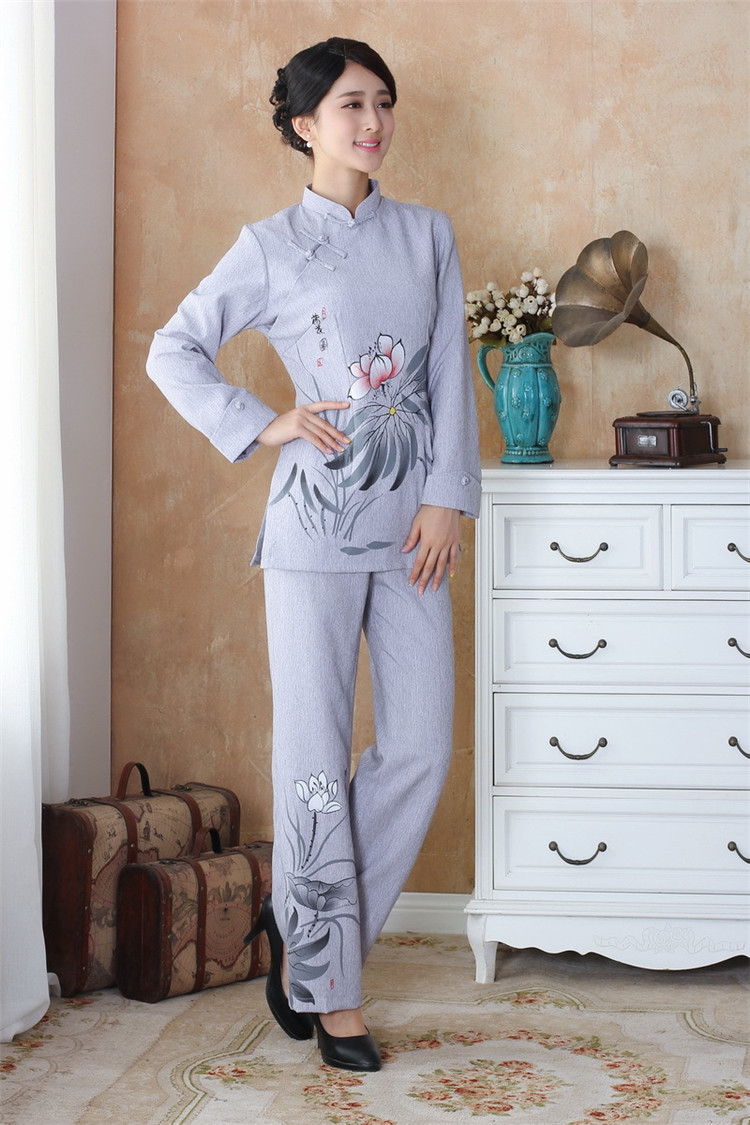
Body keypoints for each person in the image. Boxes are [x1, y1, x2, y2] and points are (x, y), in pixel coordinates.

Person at [146, 37, 480, 1072]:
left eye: (382, 102)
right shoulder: (268, 246)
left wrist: (447, 500)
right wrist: (267, 422)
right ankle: (333, 992)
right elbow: (173, 349)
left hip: (412, 532)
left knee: (420, 747)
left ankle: (303, 924)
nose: (373, 122)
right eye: (350, 106)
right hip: (312, 533)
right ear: (304, 125)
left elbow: (448, 372)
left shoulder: (427, 234)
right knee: (314, 761)